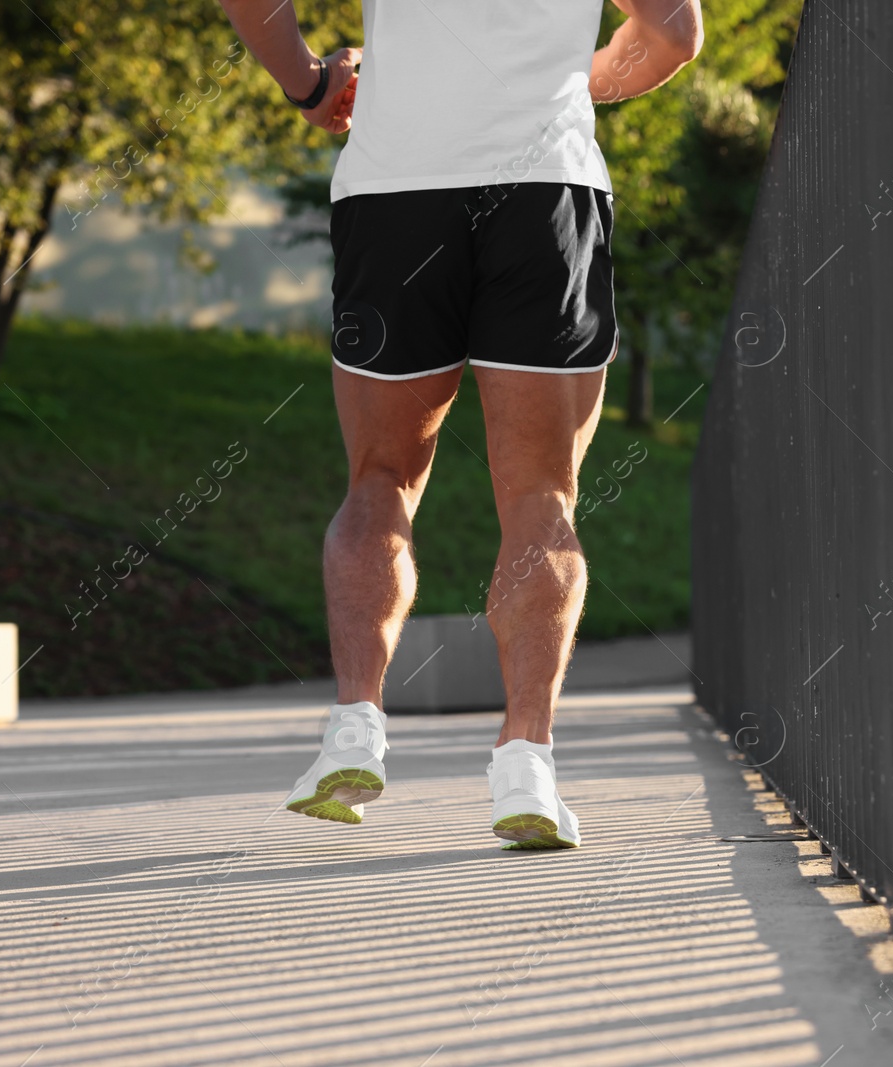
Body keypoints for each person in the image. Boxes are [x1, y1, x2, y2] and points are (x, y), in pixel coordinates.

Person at [218, 0, 703, 849]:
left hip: (396, 189)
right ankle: (527, 764)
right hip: (546, 190)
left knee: (380, 479)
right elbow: (673, 33)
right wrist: (568, 86)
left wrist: (312, 84)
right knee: (541, 497)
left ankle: (354, 726)